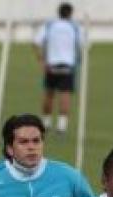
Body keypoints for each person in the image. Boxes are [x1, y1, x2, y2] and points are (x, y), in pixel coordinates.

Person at [33, 2, 84, 134]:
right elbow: (83, 45)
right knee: (65, 94)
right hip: (68, 65)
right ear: (71, 13)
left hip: (52, 64)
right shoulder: (75, 27)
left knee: (49, 93)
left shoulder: (50, 25)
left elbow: (36, 42)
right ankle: (62, 126)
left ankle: (46, 123)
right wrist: (79, 59)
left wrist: (41, 60)